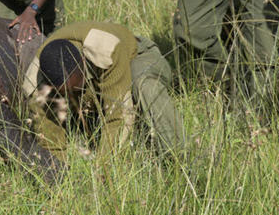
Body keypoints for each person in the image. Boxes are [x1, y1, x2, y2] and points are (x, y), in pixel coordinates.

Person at [22, 21, 185, 162]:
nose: (70, 96)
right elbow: (50, 140)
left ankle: (178, 157)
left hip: (135, 57)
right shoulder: (37, 85)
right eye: (64, 93)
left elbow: (117, 116)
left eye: (75, 88)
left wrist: (104, 166)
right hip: (91, 81)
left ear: (83, 63)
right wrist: (58, 172)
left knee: (144, 86)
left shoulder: (106, 49)